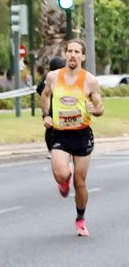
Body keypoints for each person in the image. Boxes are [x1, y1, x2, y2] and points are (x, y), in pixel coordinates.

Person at [39, 39, 104, 237]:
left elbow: (100, 106)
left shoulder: (90, 80)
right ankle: (63, 179)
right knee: (61, 175)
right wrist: (46, 115)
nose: (73, 55)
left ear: (83, 56)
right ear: (65, 54)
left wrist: (97, 110)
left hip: (82, 134)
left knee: (80, 182)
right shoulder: (53, 77)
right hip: (60, 133)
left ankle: (80, 218)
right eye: (69, 51)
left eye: (77, 52)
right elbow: (45, 95)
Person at [36, 56, 65, 157]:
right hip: (52, 108)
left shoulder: (48, 76)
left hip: (54, 107)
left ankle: (56, 149)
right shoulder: (50, 78)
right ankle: (52, 149)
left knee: (52, 129)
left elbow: (38, 89)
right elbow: (40, 89)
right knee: (51, 128)